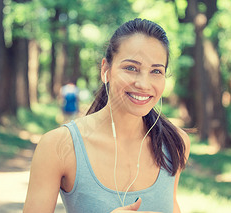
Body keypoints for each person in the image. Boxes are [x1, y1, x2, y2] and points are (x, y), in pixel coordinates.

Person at [23, 18, 190, 213]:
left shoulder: (176, 143)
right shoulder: (58, 146)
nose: (144, 84)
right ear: (105, 70)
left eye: (156, 71)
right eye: (131, 68)